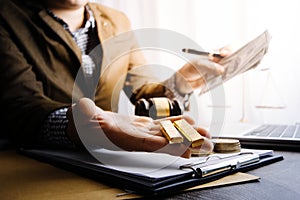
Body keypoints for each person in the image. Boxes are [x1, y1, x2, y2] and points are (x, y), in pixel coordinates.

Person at [0, 0, 229, 157]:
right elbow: (21, 103)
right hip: (28, 160)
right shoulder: (6, 15)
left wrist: (180, 81)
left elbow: (142, 91)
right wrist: (73, 124)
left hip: (109, 155)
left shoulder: (117, 20)